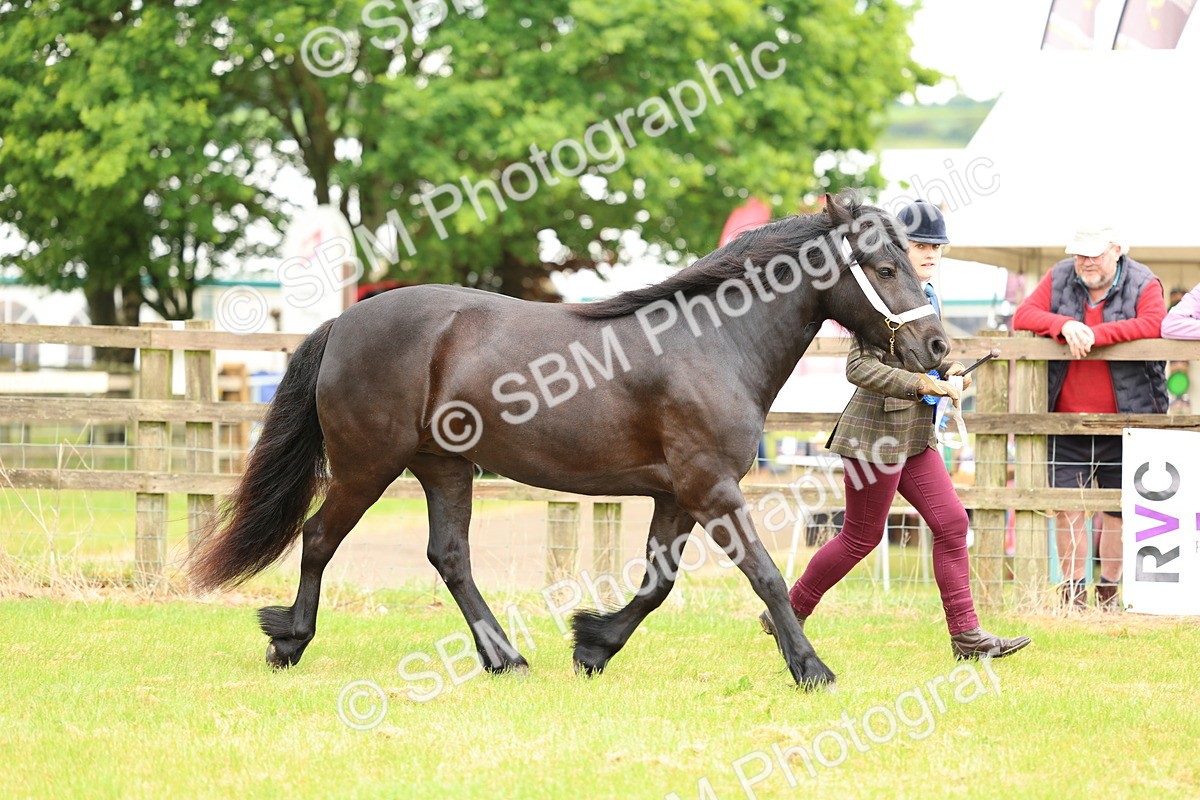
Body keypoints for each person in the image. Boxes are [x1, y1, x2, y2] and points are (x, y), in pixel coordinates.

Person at [760, 199, 1031, 660]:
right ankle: (788, 609)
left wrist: (950, 369)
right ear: (898, 247)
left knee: (951, 523)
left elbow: (923, 354)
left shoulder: (928, 296)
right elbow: (860, 368)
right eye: (920, 245)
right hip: (874, 438)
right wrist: (922, 383)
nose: (929, 254)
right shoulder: (879, 295)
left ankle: (967, 637)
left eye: (936, 247)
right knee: (860, 540)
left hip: (913, 436)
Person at [1012, 224, 1167, 610]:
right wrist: (1063, 324)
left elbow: (1155, 324)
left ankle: (1109, 593)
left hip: (1128, 420)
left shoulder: (1145, 282)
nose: (1084, 262)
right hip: (1064, 419)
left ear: (1117, 250)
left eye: (1093, 253)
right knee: (1068, 507)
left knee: (1118, 510)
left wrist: (1097, 334)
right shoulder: (1060, 275)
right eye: (1079, 253)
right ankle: (1073, 595)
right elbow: (1023, 315)